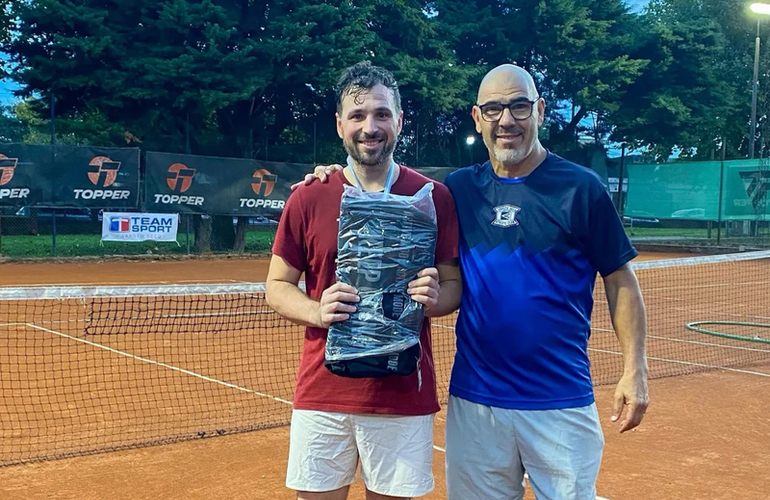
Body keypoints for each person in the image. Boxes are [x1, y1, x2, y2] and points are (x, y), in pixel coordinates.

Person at [299, 63, 649, 500]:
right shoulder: (456, 191)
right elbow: (377, 184)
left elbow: (620, 280)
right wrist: (331, 173)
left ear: (540, 110)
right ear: (477, 117)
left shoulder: (582, 188)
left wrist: (635, 370)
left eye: (519, 107)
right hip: (475, 402)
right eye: (494, 109)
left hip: (561, 400)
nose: (507, 120)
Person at [265, 61, 461, 500]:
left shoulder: (433, 197)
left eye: (381, 114)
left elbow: (454, 287)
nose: (369, 127)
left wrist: (434, 297)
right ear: (339, 125)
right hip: (322, 394)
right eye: (357, 116)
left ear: (399, 120)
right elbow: (277, 285)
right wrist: (316, 310)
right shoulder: (308, 195)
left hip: (402, 396)